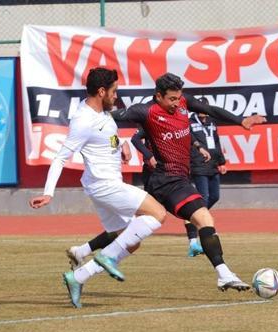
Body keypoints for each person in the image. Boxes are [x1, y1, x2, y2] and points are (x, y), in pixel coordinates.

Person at [113, 72, 266, 292]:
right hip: (164, 181)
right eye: (171, 99)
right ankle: (224, 273)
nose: (177, 103)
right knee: (201, 217)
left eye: (178, 98)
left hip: (177, 180)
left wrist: (240, 120)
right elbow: (108, 117)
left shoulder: (184, 102)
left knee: (132, 233)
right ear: (158, 96)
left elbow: (211, 110)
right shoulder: (145, 111)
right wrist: (120, 143)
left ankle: (82, 264)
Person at [29, 67, 167, 308]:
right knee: (158, 213)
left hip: (102, 185)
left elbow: (106, 138)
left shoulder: (103, 113)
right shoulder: (83, 120)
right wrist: (49, 192)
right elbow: (61, 157)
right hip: (105, 185)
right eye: (114, 91)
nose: (117, 95)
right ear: (102, 91)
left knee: (131, 242)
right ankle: (105, 256)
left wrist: (122, 145)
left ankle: (78, 276)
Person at [184, 97, 228, 257]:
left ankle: (196, 218)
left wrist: (221, 162)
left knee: (215, 196)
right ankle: (201, 226)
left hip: (213, 164)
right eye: (201, 106)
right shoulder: (189, 122)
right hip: (198, 163)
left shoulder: (211, 122)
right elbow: (189, 141)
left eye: (205, 107)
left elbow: (216, 141)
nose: (203, 110)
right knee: (204, 197)